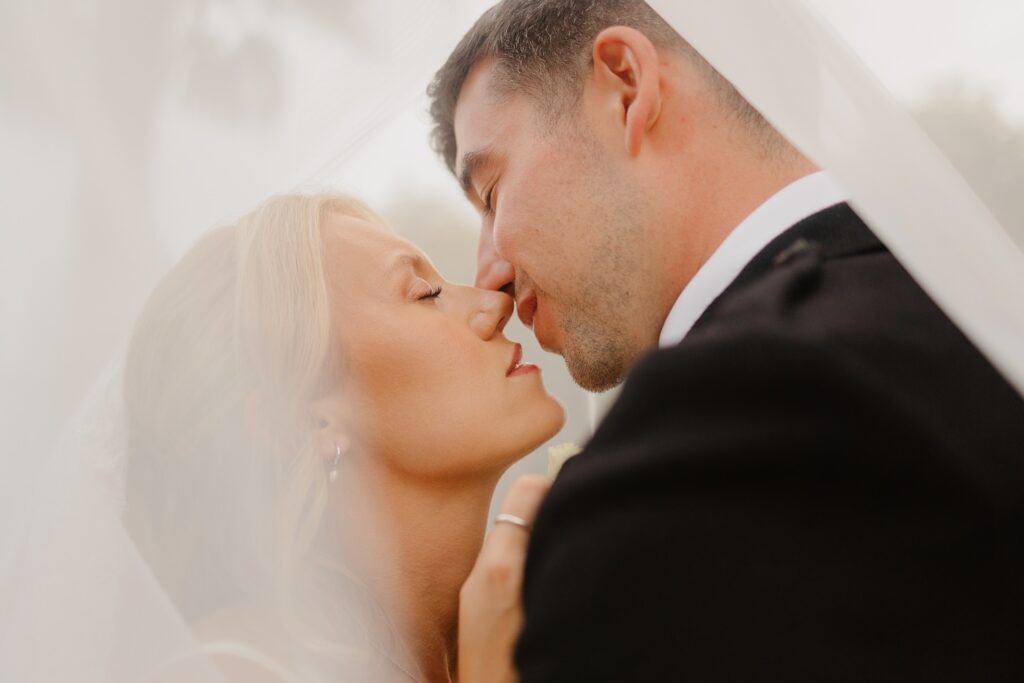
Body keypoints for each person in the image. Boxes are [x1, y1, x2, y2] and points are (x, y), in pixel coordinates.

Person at [428, 1, 1024, 681]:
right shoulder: (954, 301)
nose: (490, 277)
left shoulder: (720, 431)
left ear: (626, 85)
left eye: (492, 193)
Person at [120, 193, 564, 682]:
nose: (496, 304)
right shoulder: (224, 671)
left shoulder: (546, 623)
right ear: (306, 424)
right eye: (425, 293)